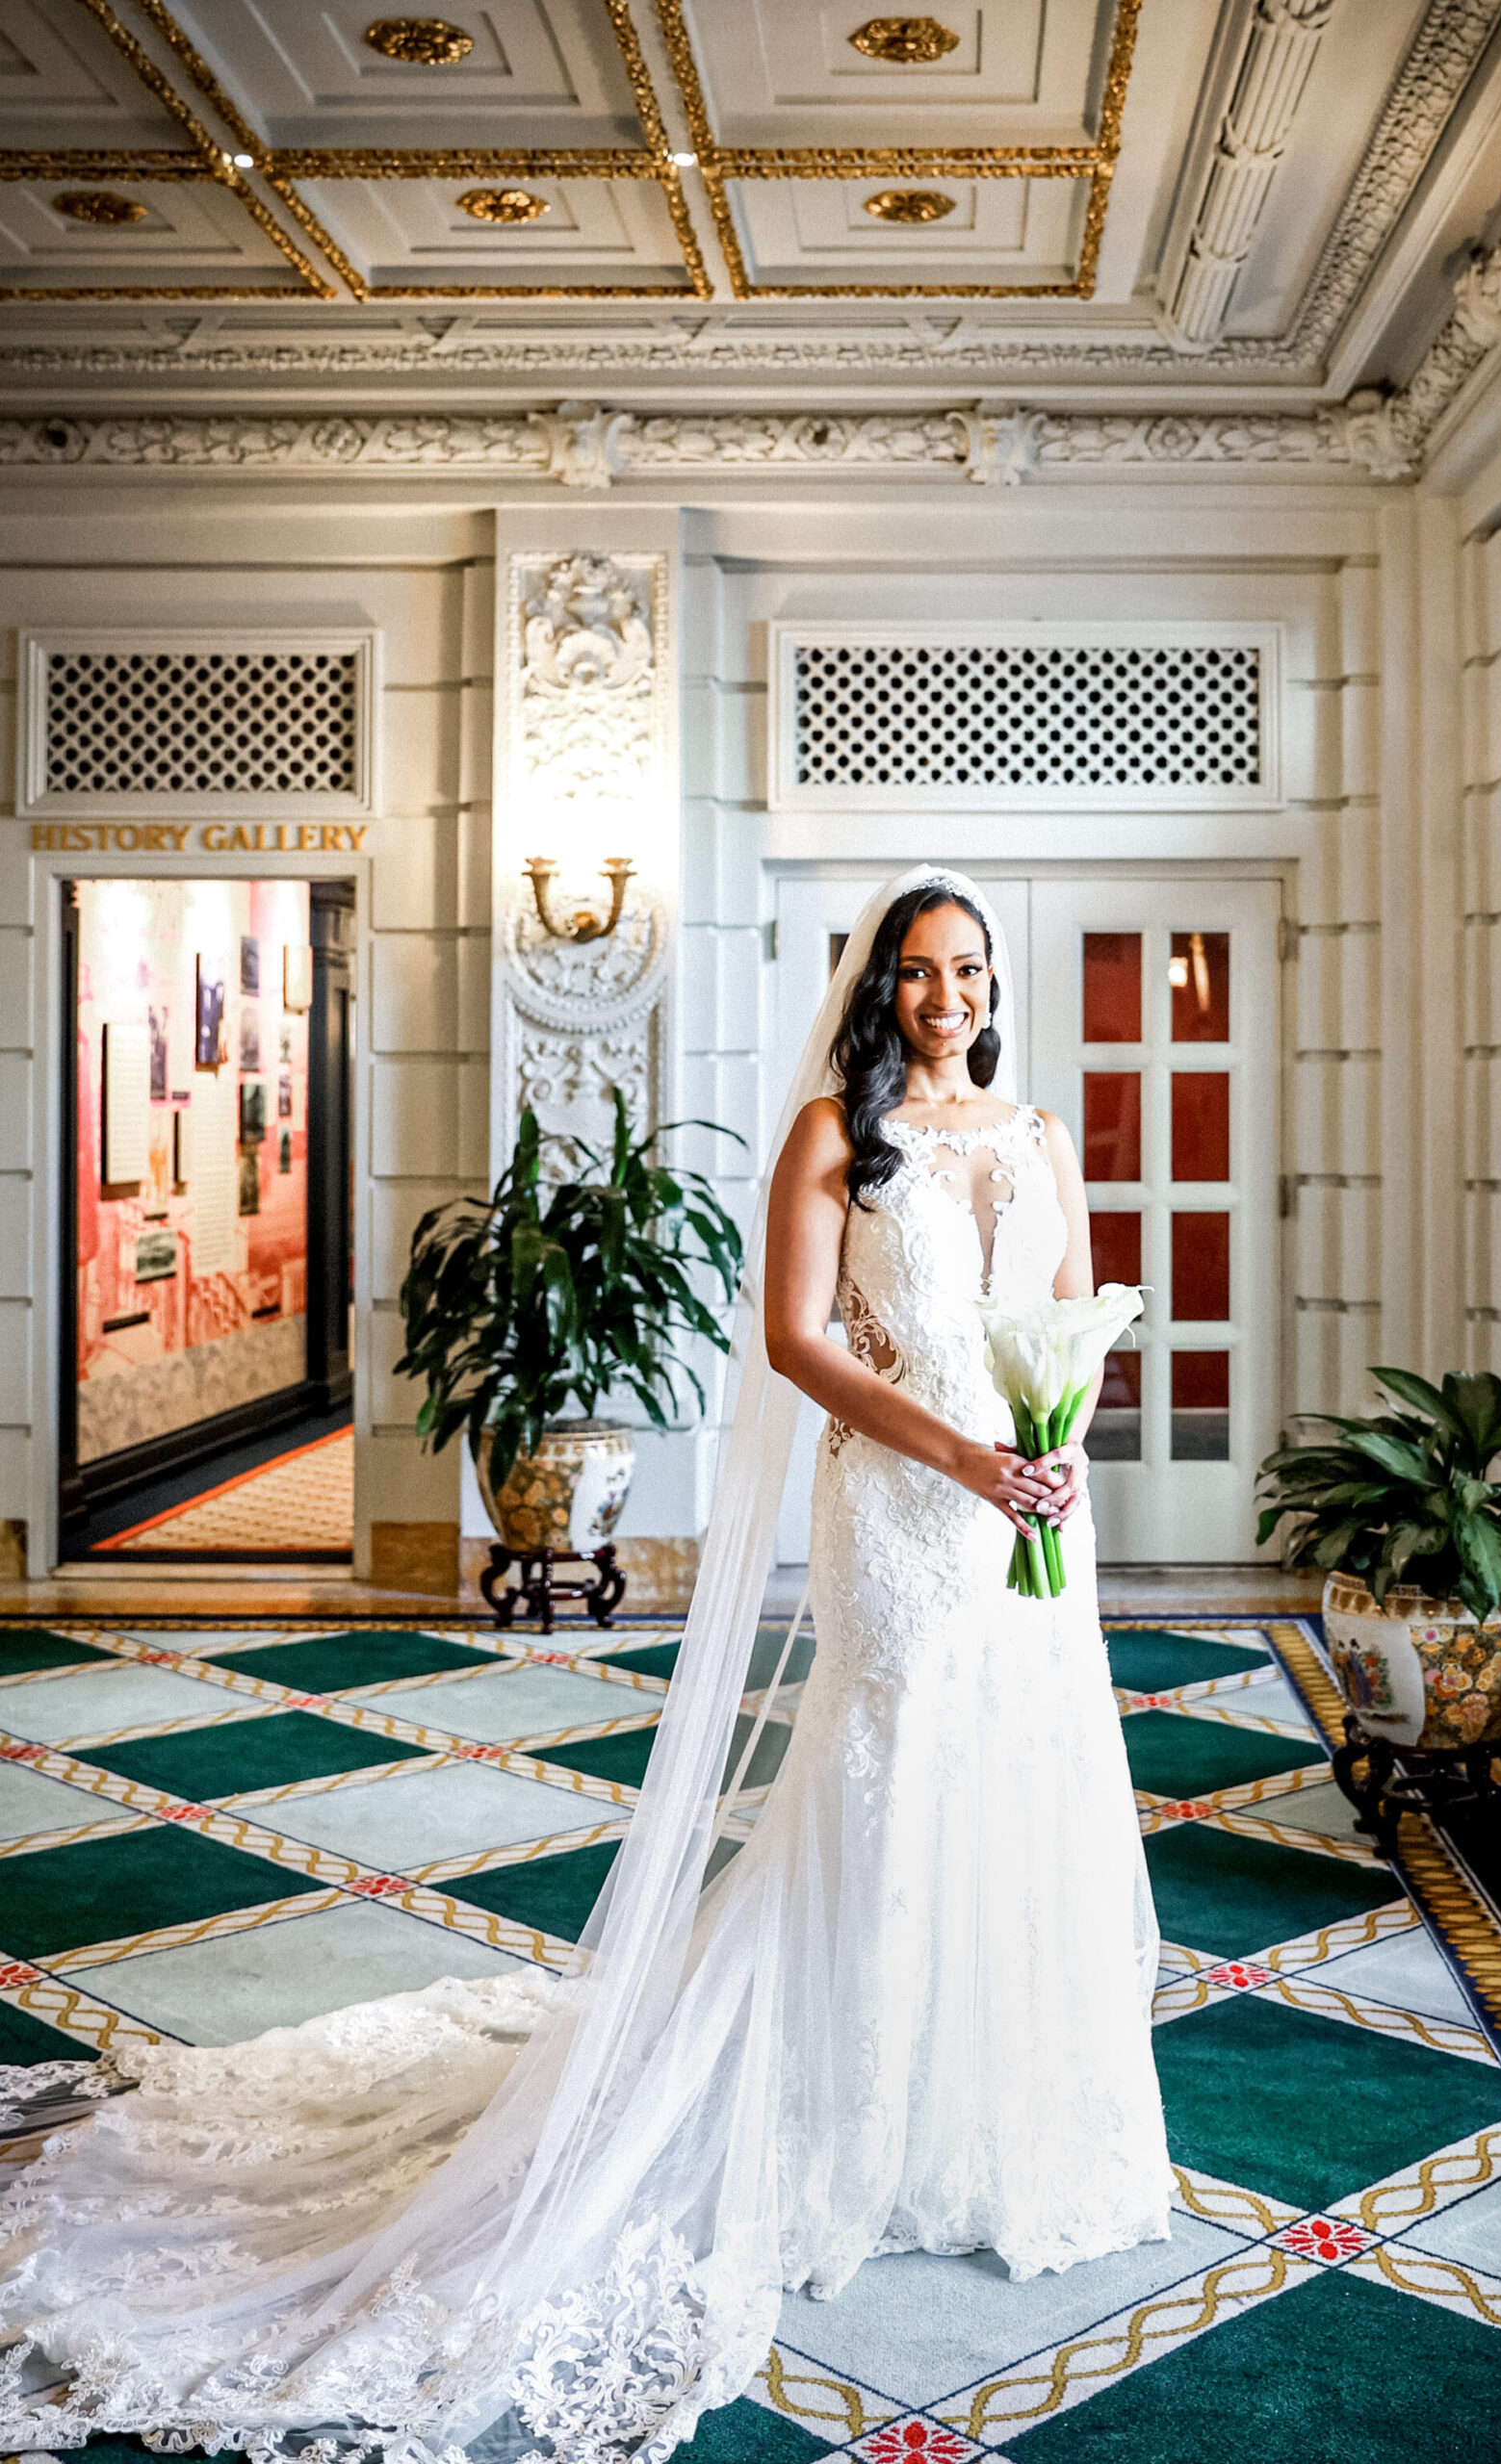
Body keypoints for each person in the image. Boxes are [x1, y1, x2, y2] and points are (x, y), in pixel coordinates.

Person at [0, 868, 1168, 2464]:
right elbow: (799, 1342)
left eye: (967, 969)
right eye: (917, 972)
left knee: (1023, 1783)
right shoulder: (839, 1134)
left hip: (1027, 1511)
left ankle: (989, 2124)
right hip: (903, 1509)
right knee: (891, 1777)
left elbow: (1069, 1323)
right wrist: (967, 1457)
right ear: (880, 988)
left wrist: (1052, 1446)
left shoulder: (1034, 1139)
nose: (946, 997)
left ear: (992, 982)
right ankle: (850, 2130)